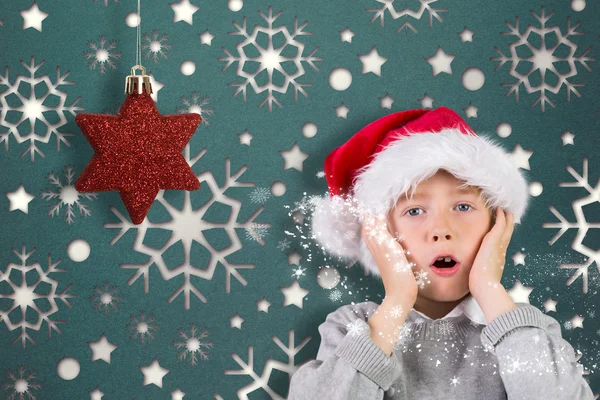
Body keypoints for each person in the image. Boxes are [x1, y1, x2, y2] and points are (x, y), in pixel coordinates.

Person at [286, 107, 595, 399]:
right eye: (415, 210)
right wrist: (397, 300)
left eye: (463, 206)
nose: (441, 229)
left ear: (496, 226)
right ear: (379, 236)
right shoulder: (350, 327)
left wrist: (490, 290)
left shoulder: (527, 332)